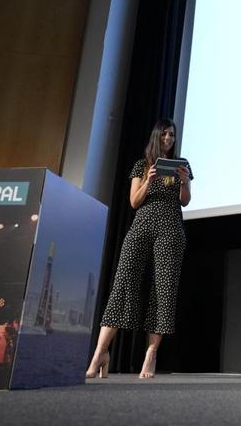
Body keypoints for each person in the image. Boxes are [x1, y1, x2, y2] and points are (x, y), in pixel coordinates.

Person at [86, 118, 192, 379]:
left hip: (170, 228)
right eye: (165, 134)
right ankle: (101, 352)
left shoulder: (183, 166)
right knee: (123, 283)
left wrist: (184, 182)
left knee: (164, 289)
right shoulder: (141, 165)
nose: (169, 139)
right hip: (142, 225)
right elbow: (134, 202)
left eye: (172, 135)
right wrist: (149, 180)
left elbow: (185, 202)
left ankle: (151, 354)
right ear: (157, 136)